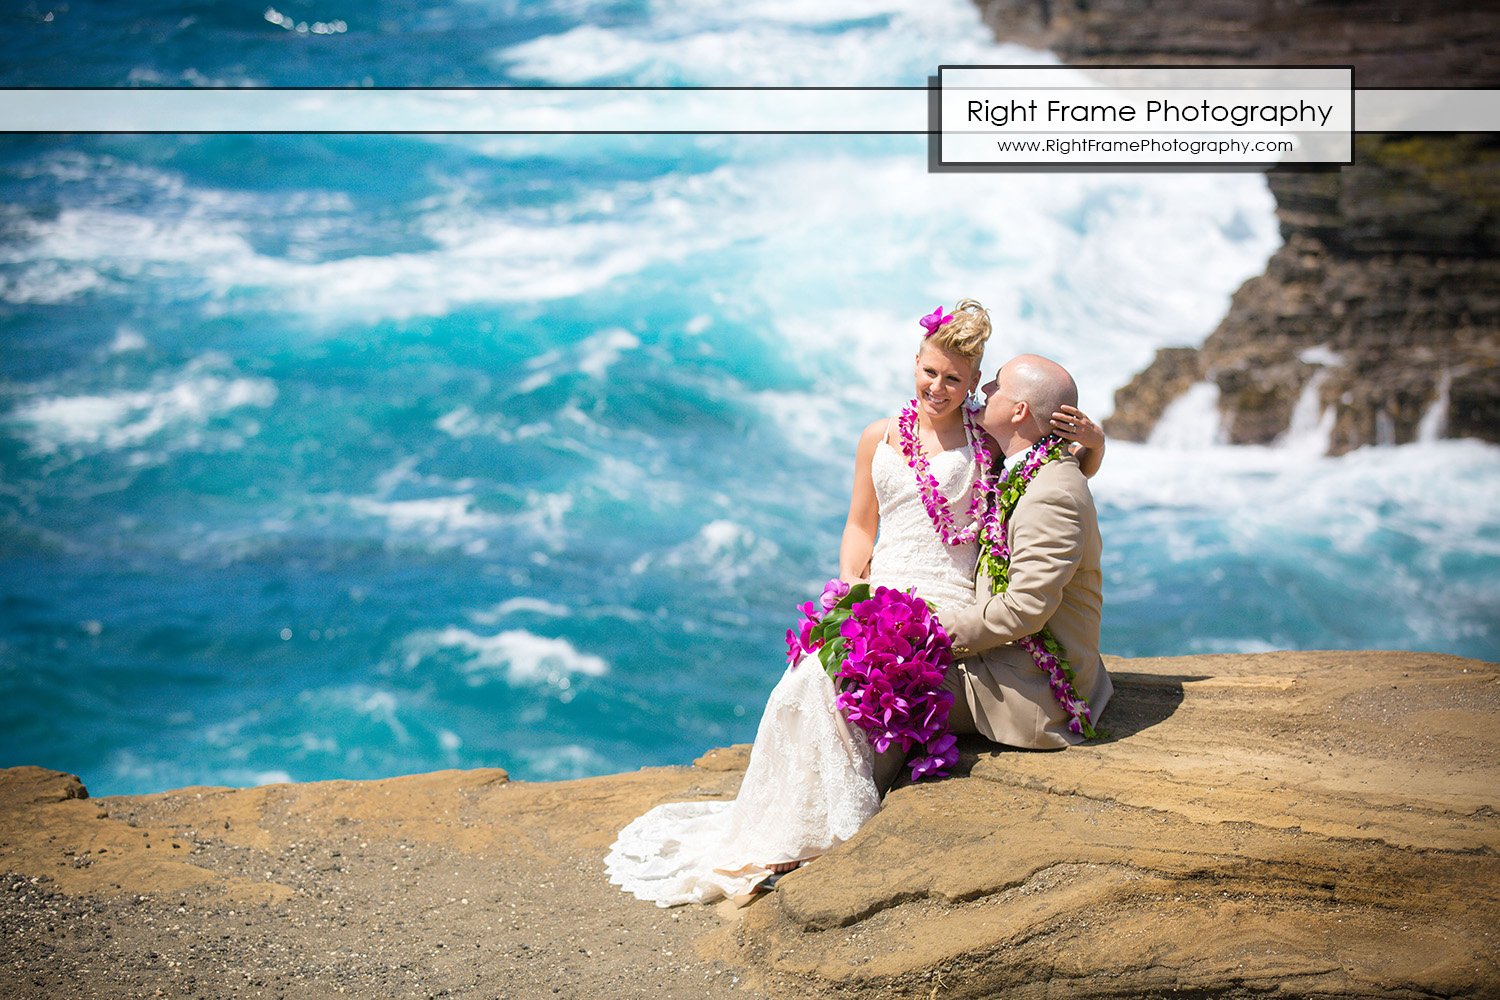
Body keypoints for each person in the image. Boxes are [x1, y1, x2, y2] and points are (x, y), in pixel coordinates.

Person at [604, 306, 1103, 907]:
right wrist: (849, 582)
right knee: (802, 680)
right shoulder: (878, 436)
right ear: (914, 364)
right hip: (881, 589)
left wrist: (1094, 445)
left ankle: (823, 829)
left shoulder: (987, 440)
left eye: (955, 379)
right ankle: (785, 822)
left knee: (850, 685)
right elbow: (860, 525)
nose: (937, 387)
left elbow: (1048, 484)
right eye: (929, 372)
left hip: (943, 598)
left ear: (975, 384)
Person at [935, 354, 1113, 755]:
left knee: (868, 686)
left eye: (996, 384)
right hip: (1009, 659)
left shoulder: (1052, 494)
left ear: (1019, 412)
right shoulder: (1033, 465)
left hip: (1030, 690)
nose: (985, 390)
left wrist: (927, 631)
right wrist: (1096, 447)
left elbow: (1025, 608)